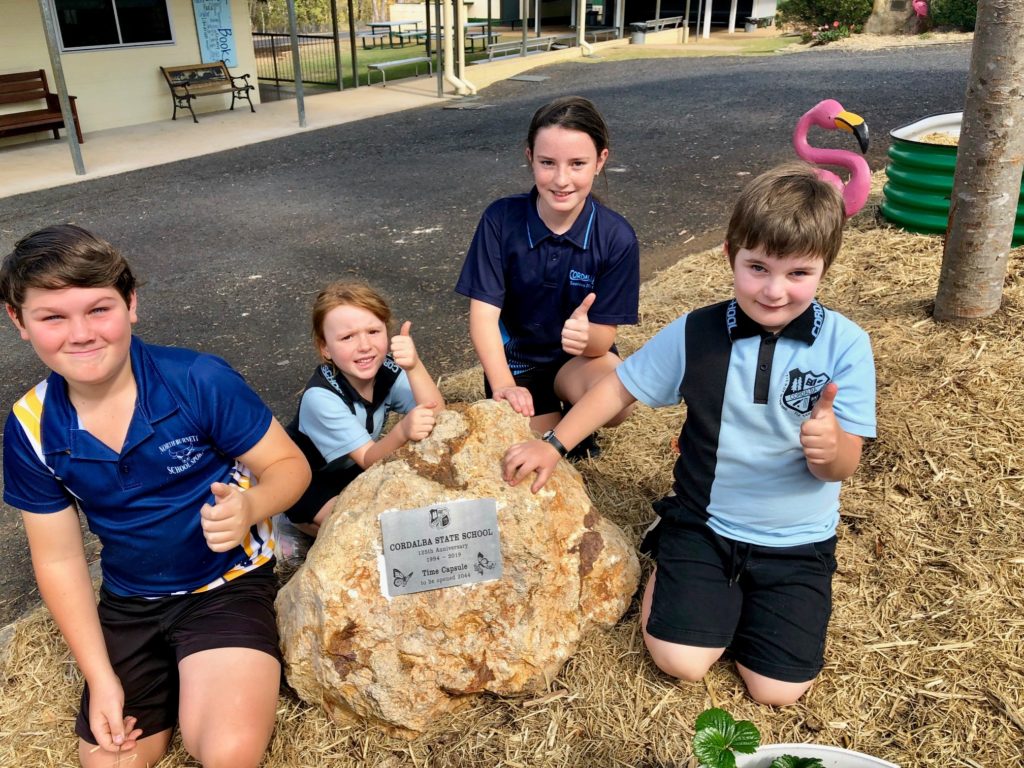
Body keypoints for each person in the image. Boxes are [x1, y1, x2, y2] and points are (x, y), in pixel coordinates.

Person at [503, 162, 877, 706]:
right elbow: (618, 389)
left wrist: (830, 449)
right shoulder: (697, 331)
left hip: (796, 543)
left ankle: (754, 603)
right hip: (709, 525)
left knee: (779, 692)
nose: (774, 291)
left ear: (824, 269)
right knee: (682, 662)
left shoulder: (847, 345)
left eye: (798, 273)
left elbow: (845, 465)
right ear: (730, 255)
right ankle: (674, 549)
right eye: (758, 268)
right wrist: (554, 443)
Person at [1, 224, 311, 768]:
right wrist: (100, 678)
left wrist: (252, 507)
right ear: (18, 321)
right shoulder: (28, 427)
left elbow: (290, 467)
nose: (80, 334)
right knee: (109, 760)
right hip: (130, 604)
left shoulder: (196, 379)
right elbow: (57, 557)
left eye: (99, 309)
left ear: (131, 304)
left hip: (226, 587)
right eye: (53, 316)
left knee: (225, 751)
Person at [455, 95, 640, 455]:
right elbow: (483, 317)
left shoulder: (616, 237)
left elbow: (603, 340)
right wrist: (503, 384)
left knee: (621, 399)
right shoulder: (500, 220)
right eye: (547, 163)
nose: (561, 179)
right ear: (529, 158)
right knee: (527, 448)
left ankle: (576, 416)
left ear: (600, 161)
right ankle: (565, 426)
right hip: (517, 366)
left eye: (577, 164)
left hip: (577, 364)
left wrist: (586, 338)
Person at [283, 280, 444, 537]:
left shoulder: (388, 370)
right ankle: (293, 526)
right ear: (325, 348)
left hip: (351, 468)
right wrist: (402, 431)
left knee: (403, 513)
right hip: (307, 479)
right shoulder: (321, 398)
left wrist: (414, 367)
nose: (364, 346)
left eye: (373, 331)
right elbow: (370, 458)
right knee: (358, 531)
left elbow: (437, 415)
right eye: (347, 337)